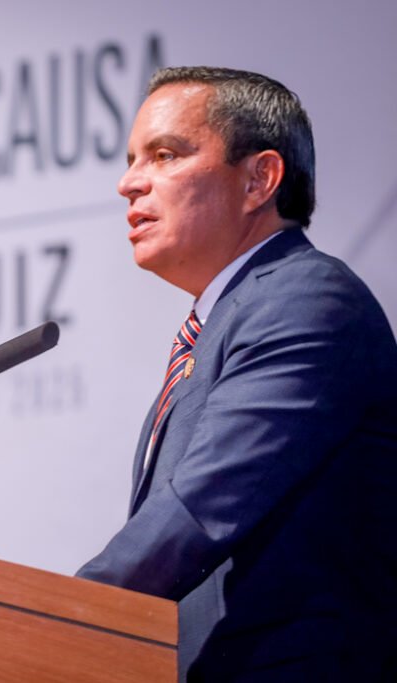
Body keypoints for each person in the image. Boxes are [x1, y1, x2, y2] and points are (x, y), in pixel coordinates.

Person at [75, 66, 397, 682]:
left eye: (164, 155)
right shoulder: (227, 318)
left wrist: (54, 616)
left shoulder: (306, 299)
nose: (128, 183)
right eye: (131, 160)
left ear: (259, 180)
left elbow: (201, 507)